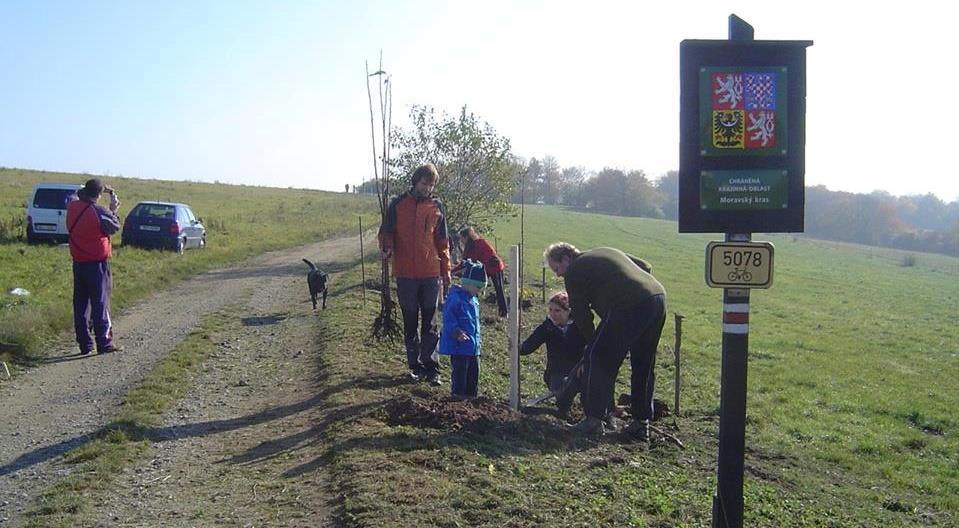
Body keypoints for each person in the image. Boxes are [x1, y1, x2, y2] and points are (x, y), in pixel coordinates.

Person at [544, 242, 666, 440]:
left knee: (597, 358)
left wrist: (592, 346)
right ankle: (641, 423)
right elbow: (645, 265)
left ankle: (594, 420)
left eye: (557, 269)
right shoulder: (605, 251)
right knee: (644, 362)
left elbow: (582, 316)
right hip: (657, 298)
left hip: (628, 305)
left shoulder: (574, 271)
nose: (558, 275)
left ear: (566, 259)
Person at [378, 163, 452, 386]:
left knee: (430, 322)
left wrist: (446, 270)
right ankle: (415, 366)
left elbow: (443, 242)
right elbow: (386, 233)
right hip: (405, 273)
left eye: (431, 185)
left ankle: (432, 368)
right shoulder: (398, 205)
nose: (427, 188)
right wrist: (387, 247)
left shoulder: (437, 207)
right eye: (424, 183)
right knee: (410, 321)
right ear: (415, 181)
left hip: (430, 273)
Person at [66, 178, 123, 355]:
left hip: (79, 261)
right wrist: (113, 209)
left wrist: (97, 188)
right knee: (100, 303)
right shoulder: (98, 211)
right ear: (98, 195)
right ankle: (104, 343)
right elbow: (114, 227)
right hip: (97, 263)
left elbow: (75, 195)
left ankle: (85, 344)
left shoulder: (72, 207)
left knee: (81, 303)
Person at [519, 291, 586, 415]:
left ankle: (601, 415)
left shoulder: (580, 327)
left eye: (557, 311)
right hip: (556, 372)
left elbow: (591, 346)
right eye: (550, 310)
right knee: (561, 393)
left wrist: (584, 363)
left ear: (568, 311)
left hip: (578, 370)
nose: (553, 314)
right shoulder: (547, 327)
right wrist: (517, 347)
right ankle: (563, 411)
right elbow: (529, 345)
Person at [438, 259, 486, 399]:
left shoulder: (473, 300)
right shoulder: (455, 298)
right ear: (468, 283)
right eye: (478, 287)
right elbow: (449, 319)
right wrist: (456, 332)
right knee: (460, 374)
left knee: (473, 374)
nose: (479, 291)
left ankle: (471, 398)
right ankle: (458, 398)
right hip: (460, 346)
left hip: (472, 347)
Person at [452, 227, 507, 317]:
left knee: (499, 289)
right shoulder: (475, 244)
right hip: (486, 267)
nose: (461, 241)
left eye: (462, 238)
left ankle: (504, 313)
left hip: (495, 266)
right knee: (475, 286)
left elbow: (465, 264)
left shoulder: (476, 245)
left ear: (466, 237)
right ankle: (474, 308)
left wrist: (452, 272)